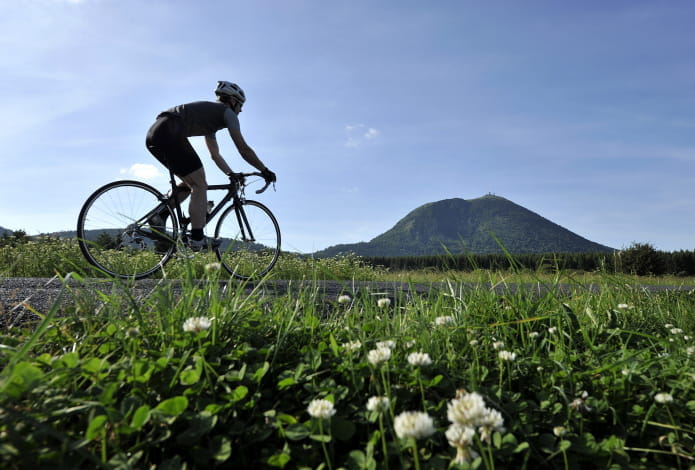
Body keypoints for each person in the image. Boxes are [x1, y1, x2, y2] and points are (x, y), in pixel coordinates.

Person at [145, 81, 276, 250]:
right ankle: (197, 238)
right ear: (233, 101)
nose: (241, 110)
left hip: (155, 134)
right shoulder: (228, 113)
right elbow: (243, 149)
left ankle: (160, 215)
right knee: (200, 184)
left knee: (190, 181)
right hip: (170, 132)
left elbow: (215, 154)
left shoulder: (210, 118)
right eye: (241, 105)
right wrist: (264, 170)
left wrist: (230, 173)